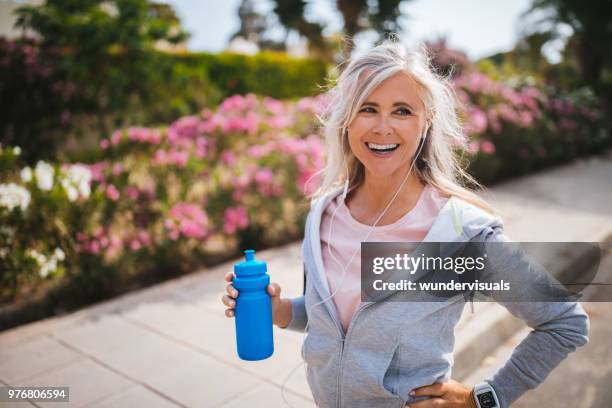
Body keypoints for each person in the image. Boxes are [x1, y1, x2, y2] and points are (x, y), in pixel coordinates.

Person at [221, 39, 590, 407]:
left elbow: (564, 321)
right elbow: (337, 322)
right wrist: (280, 311)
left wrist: (483, 399)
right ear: (347, 118)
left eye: (402, 111)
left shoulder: (463, 234)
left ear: (426, 121)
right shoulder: (323, 215)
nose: (383, 127)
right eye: (368, 108)